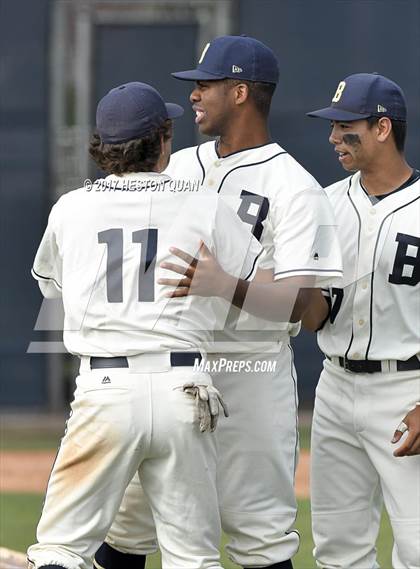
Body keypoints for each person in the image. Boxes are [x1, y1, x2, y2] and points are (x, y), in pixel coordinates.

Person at [95, 35, 342, 569]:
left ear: (241, 92)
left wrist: (227, 284)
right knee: (127, 524)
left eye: (205, 84)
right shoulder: (178, 164)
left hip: (250, 369)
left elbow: (300, 302)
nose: (194, 96)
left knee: (259, 532)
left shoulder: (294, 187)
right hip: (171, 365)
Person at [27, 81, 263, 569]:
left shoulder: (71, 208)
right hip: (186, 389)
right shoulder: (203, 203)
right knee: (192, 557)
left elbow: (52, 286)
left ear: (102, 146)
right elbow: (251, 281)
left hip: (106, 387)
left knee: (60, 550)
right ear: (162, 139)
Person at [304, 73, 420, 568]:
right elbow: (315, 316)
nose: (333, 138)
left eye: (345, 126)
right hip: (335, 385)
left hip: (408, 389)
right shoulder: (325, 205)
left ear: (382, 128)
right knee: (338, 547)